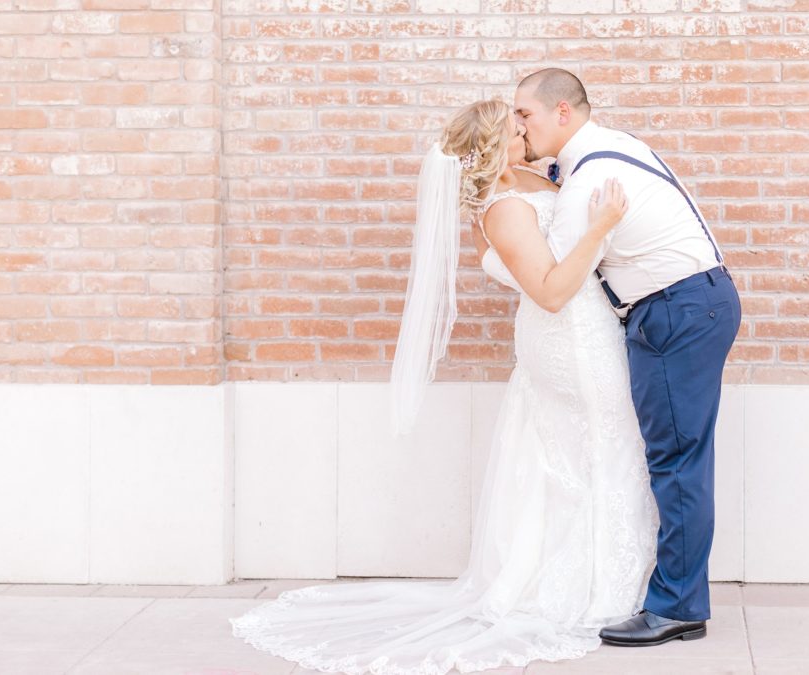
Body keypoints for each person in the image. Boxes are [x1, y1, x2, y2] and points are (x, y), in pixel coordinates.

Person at [228, 99, 659, 673]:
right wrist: (601, 228)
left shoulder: (532, 177)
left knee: (588, 452)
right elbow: (552, 290)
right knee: (601, 448)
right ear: (493, 145)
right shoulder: (504, 208)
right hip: (570, 337)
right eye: (516, 126)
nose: (526, 128)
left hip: (577, 334)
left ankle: (609, 579)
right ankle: (599, 590)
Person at [514, 68, 742, 646]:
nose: (520, 125)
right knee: (678, 457)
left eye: (526, 115)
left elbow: (559, 280)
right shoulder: (609, 148)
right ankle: (677, 598)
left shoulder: (595, 175)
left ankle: (677, 607)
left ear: (562, 111)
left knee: (676, 461)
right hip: (687, 304)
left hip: (675, 310)